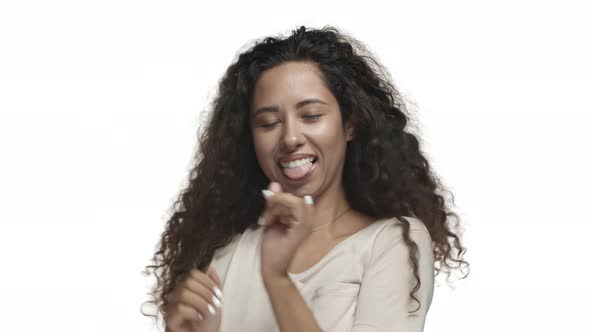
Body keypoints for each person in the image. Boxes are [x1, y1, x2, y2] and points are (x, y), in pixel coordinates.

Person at [142, 25, 469, 332]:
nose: (290, 137)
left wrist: (278, 279)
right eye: (269, 123)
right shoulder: (229, 248)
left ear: (350, 124)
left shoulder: (393, 242)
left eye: (311, 116)